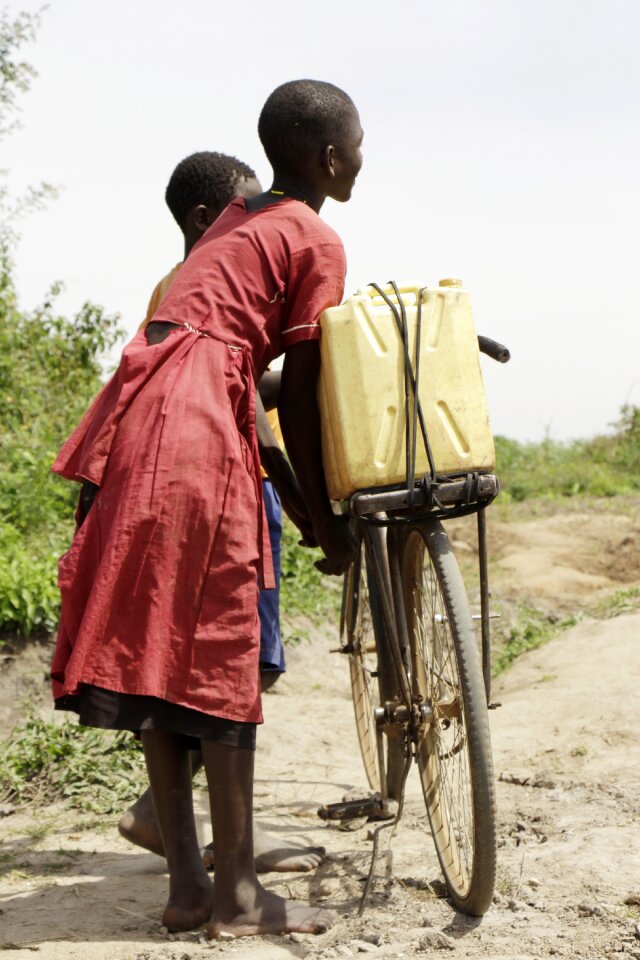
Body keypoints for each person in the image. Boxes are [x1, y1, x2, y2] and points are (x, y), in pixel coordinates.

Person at [50, 78, 363, 939]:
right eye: (358, 145)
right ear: (333, 158)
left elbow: (222, 363)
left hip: (135, 407)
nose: (362, 159)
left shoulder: (237, 221)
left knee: (160, 639)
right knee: (222, 637)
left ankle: (190, 889)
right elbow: (292, 400)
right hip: (194, 421)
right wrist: (327, 520)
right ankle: (235, 902)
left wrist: (305, 516)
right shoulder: (316, 237)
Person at [118, 150, 325, 873]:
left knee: (214, 661)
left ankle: (190, 837)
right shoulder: (203, 278)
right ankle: (215, 840)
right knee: (243, 661)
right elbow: (234, 389)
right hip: (232, 480)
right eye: (245, 207)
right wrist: (307, 507)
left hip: (190, 478)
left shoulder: (176, 285)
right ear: (210, 218)